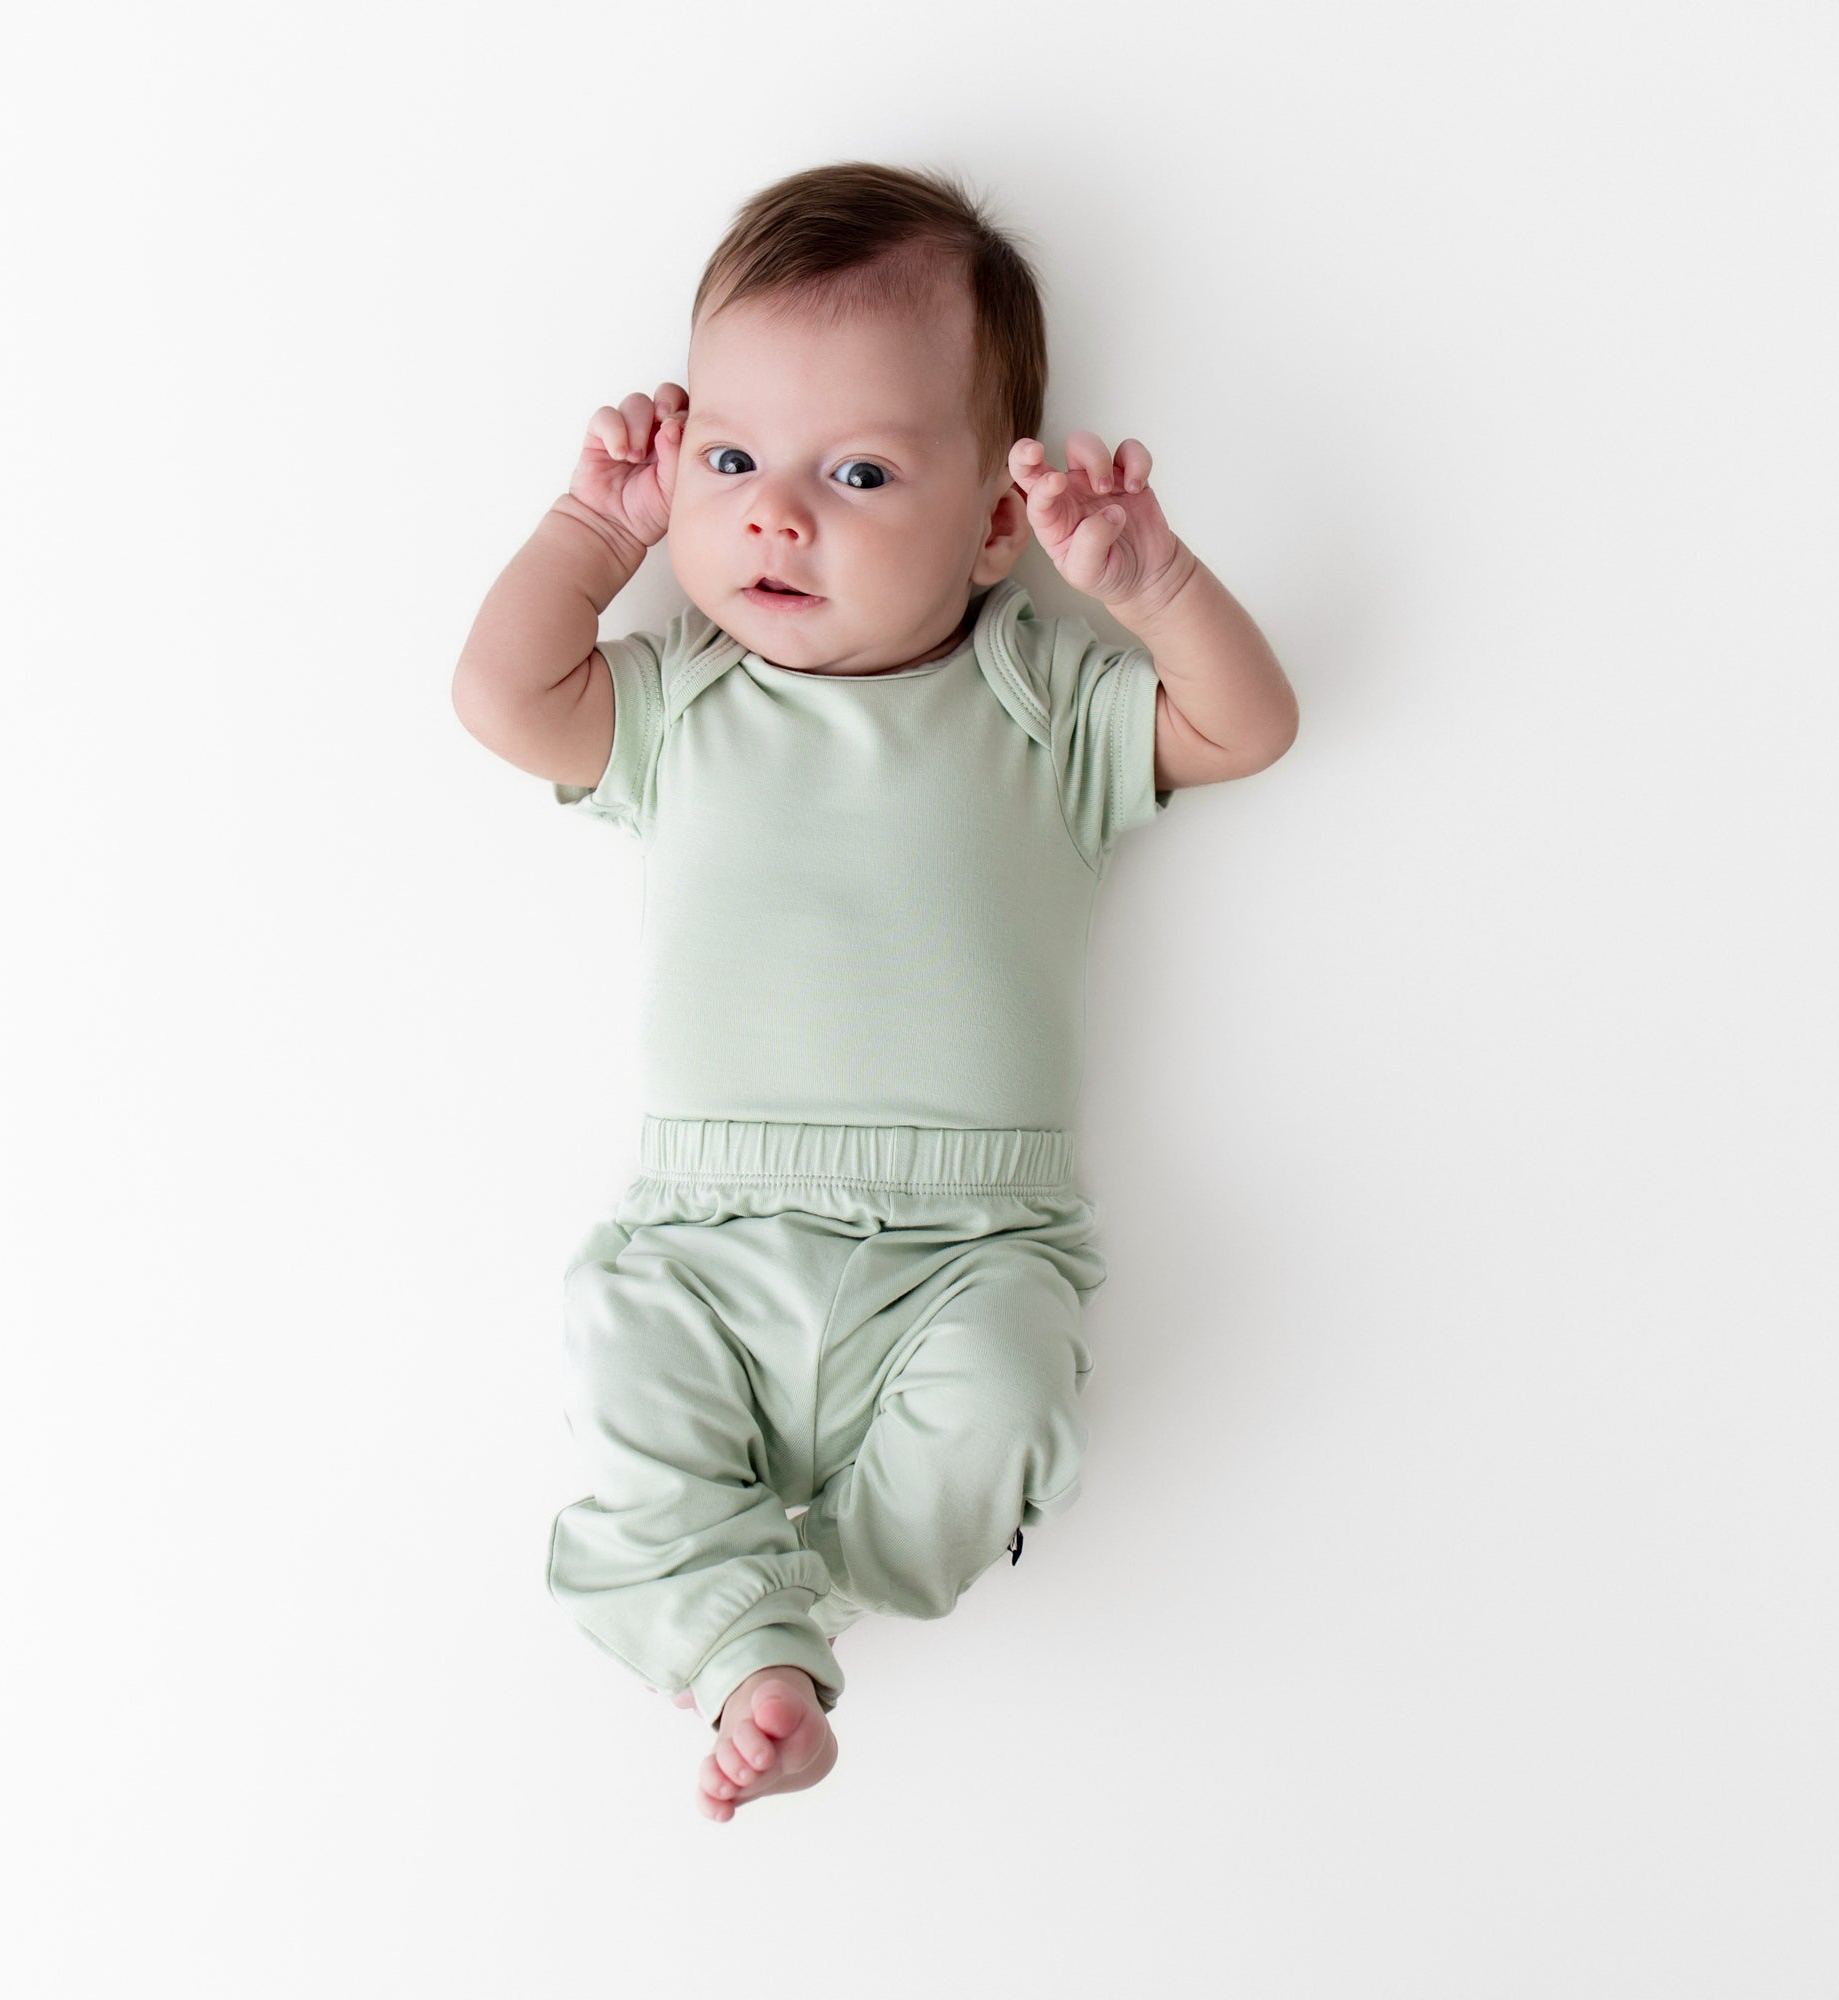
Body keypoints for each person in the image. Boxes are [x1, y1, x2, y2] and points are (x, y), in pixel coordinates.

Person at [451, 160, 1298, 1823]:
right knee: (619, 1361)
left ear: (997, 524)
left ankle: (790, 1617)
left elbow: (1241, 728)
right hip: (704, 1227)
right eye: (731, 460)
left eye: (858, 473)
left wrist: (1151, 586)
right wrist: (587, 529)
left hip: (969, 1244)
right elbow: (500, 693)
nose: (777, 513)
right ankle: (746, 1645)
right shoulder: (682, 699)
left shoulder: (1036, 694)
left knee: (1005, 1403)